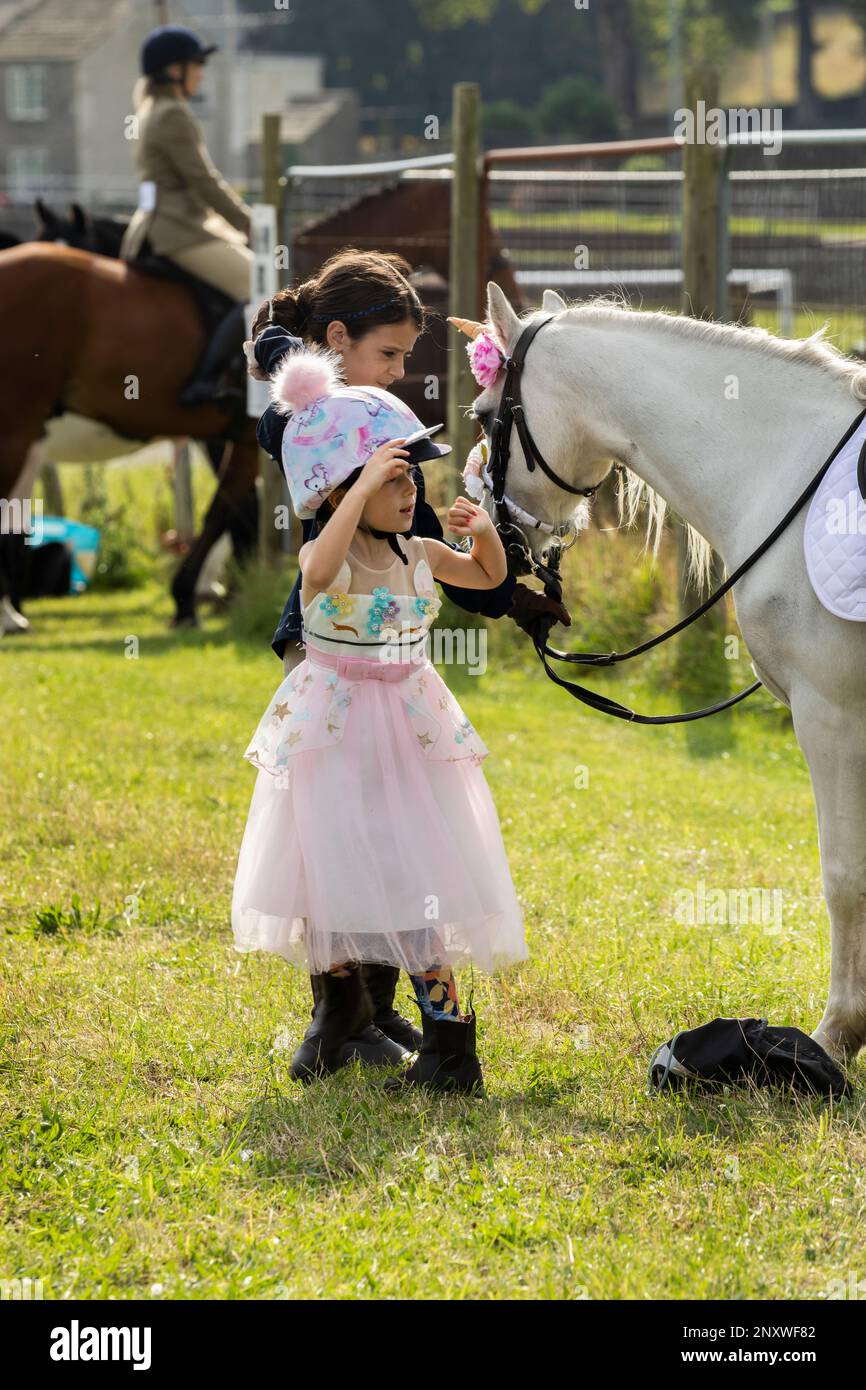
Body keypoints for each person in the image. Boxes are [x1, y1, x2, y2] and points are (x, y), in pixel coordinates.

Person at [244, 249, 519, 1071]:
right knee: (332, 857)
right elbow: (318, 563)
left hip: (405, 714)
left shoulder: (410, 531)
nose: (402, 374)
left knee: (402, 864)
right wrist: (359, 483)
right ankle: (341, 1017)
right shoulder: (326, 455)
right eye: (391, 356)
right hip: (334, 693)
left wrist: (481, 532)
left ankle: (410, 1026)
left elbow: (483, 578)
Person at [120, 24, 253, 406]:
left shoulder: (149, 110)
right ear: (173, 70)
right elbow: (205, 183)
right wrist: (249, 224)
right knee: (261, 290)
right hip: (181, 229)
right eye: (196, 64)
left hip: (158, 224)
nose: (201, 73)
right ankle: (206, 381)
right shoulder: (173, 114)